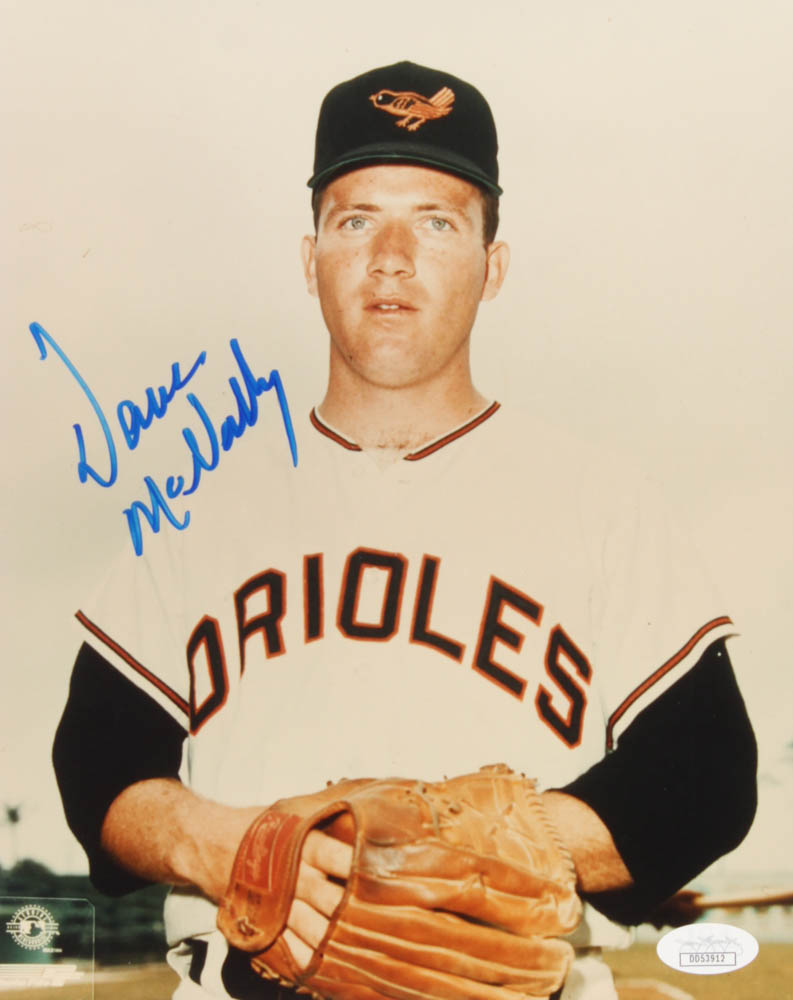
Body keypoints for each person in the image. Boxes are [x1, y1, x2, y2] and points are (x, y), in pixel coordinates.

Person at [53, 61, 757, 1000]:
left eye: (436, 222)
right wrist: (229, 846)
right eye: (355, 220)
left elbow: (706, 773)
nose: (391, 257)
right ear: (309, 258)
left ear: (491, 266)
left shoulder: (601, 501)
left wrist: (483, 852)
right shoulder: (200, 504)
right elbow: (98, 761)